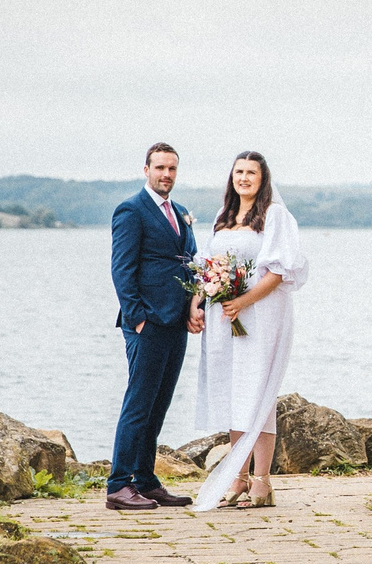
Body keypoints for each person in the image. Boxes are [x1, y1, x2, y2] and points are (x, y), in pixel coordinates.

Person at [191, 151, 306, 510]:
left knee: (257, 392)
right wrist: (198, 301)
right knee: (231, 390)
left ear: (262, 178)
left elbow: (278, 272)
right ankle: (237, 478)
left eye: (251, 173)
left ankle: (262, 482)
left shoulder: (274, 216)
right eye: (238, 172)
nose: (244, 178)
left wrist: (243, 301)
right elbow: (210, 267)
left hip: (261, 316)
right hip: (224, 318)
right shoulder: (223, 217)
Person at [105, 143, 201, 511]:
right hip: (146, 323)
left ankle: (145, 480)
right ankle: (118, 485)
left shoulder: (179, 212)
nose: (166, 174)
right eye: (160, 167)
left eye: (172, 169)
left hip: (176, 322)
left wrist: (197, 304)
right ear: (145, 169)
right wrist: (138, 317)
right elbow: (121, 269)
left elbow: (189, 261)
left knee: (159, 405)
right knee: (139, 403)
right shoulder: (131, 209)